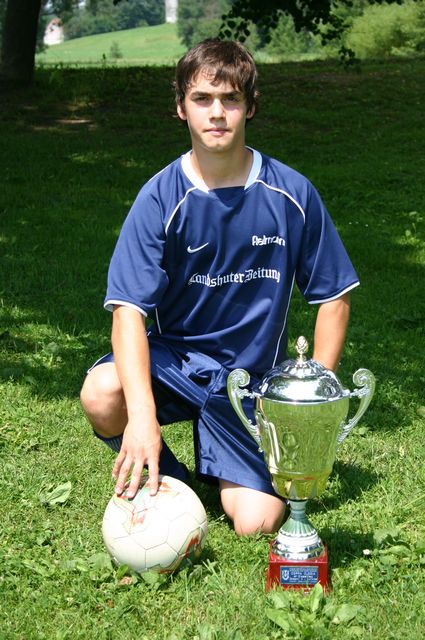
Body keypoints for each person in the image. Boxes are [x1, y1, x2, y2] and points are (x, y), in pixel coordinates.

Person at [80, 39, 359, 536]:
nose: (216, 113)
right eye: (202, 99)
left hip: (248, 384)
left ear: (249, 106)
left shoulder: (291, 192)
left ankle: (227, 463)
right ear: (181, 107)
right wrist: (141, 417)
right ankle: (173, 483)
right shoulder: (160, 197)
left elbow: (333, 297)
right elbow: (127, 314)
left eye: (230, 99)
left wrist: (310, 399)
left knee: (257, 523)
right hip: (176, 364)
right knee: (102, 393)